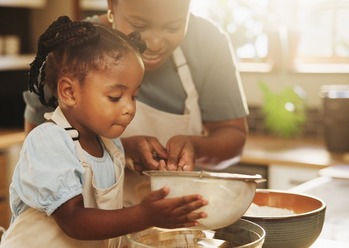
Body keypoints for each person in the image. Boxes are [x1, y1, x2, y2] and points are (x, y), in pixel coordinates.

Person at [0, 16, 208, 248]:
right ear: (69, 92)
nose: (130, 108)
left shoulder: (110, 146)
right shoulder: (48, 141)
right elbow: (74, 221)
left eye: (134, 96)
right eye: (115, 97)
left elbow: (107, 220)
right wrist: (144, 215)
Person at [23, 0, 249, 205]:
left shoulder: (209, 43)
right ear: (112, 5)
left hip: (173, 222)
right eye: (139, 25)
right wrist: (121, 153)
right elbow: (41, 154)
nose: (154, 42)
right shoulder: (70, 51)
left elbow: (233, 136)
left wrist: (196, 148)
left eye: (173, 27)